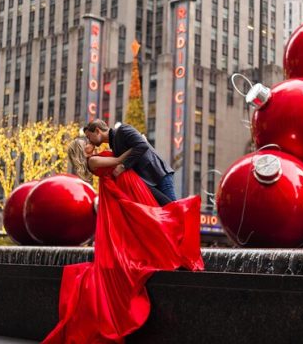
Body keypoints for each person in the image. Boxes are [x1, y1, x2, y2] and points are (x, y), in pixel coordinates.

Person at [42, 138, 204, 343]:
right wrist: (135, 148)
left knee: (152, 221)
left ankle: (170, 251)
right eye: (86, 144)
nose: (90, 144)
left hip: (128, 187)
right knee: (153, 221)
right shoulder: (93, 161)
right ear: (82, 151)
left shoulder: (97, 157)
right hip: (125, 188)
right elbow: (118, 160)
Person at [84, 119, 176, 206]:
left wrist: (123, 166)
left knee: (174, 210)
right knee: (167, 213)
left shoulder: (123, 130)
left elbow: (142, 145)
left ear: (97, 131)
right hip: (148, 182)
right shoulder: (114, 145)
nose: (89, 141)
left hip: (158, 174)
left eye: (89, 137)